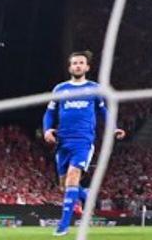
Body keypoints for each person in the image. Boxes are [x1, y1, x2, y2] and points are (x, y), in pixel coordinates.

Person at [42, 50, 124, 236]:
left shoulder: (94, 89)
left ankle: (63, 225)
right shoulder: (60, 89)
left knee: (72, 177)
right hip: (63, 141)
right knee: (65, 186)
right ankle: (87, 196)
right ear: (70, 67)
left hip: (83, 141)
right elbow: (49, 113)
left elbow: (104, 112)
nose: (77, 65)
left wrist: (113, 127)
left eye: (81, 63)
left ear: (87, 67)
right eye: (74, 63)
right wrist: (47, 129)